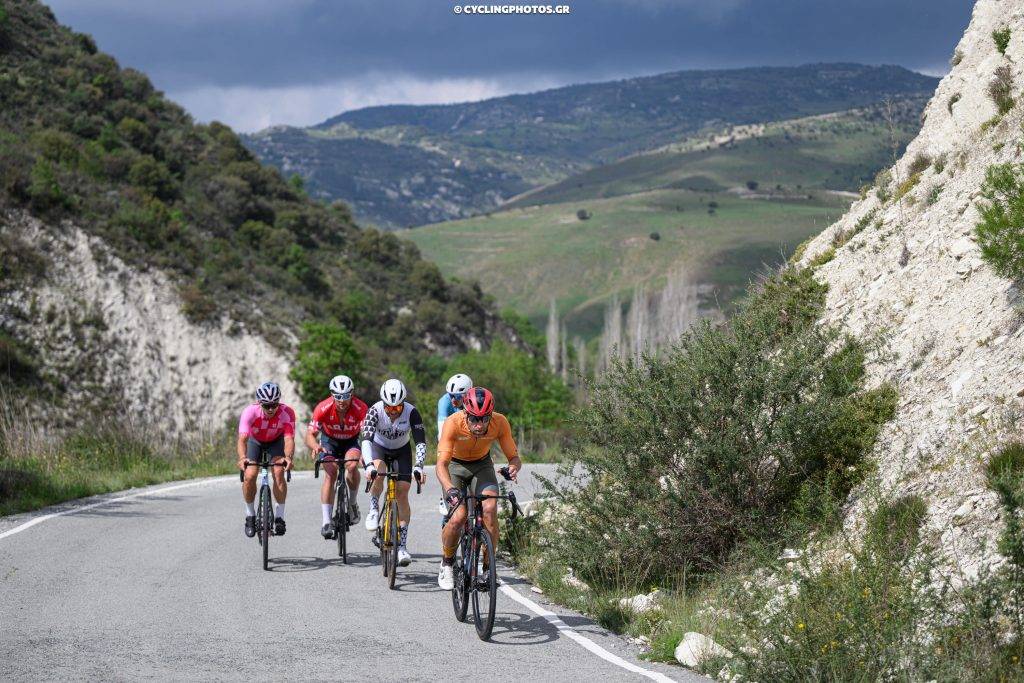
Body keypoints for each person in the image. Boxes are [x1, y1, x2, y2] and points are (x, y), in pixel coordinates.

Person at [435, 387, 522, 590]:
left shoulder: (500, 422)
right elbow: (441, 465)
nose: (479, 424)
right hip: (455, 466)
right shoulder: (453, 423)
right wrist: (449, 489)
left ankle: (488, 567)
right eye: (474, 419)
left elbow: (514, 458)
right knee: (458, 517)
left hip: (482, 465)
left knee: (490, 509)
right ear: (465, 412)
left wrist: (513, 468)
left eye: (484, 419)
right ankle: (447, 562)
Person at [360, 379, 427, 567]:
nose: (392, 412)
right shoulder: (374, 410)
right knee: (378, 471)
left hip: (402, 450)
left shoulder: (412, 412)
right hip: (379, 448)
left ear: (403, 403)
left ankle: (402, 547)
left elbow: (420, 442)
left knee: (403, 492)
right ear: (383, 403)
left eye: (397, 408)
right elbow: (366, 440)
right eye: (389, 408)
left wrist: (419, 466)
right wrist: (368, 466)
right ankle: (374, 509)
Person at [306, 374, 368, 539]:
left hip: (351, 442)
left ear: (352, 393)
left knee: (353, 465)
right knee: (330, 474)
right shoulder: (323, 408)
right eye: (338, 396)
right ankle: (326, 521)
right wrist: (315, 446)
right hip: (329, 442)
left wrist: (367, 454)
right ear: (332, 395)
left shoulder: (360, 408)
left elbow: (368, 435)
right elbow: (310, 435)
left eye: (346, 395)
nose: (342, 400)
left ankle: (353, 503)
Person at [237, 381, 295, 538]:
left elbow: (289, 439)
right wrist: (242, 458)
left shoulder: (287, 412)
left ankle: (280, 518)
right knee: (249, 475)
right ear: (259, 403)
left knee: (278, 472)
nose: (271, 409)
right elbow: (242, 439)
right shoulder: (250, 412)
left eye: (274, 405)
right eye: (266, 405)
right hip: (255, 442)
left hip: (275, 443)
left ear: (278, 402)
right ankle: (250, 516)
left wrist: (288, 458)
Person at [435, 373, 472, 514]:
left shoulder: (474, 401)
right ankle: (443, 493)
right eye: (449, 395)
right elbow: (442, 432)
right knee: (444, 461)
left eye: (456, 396)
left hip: (468, 439)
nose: (452, 399)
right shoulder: (444, 402)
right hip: (450, 437)